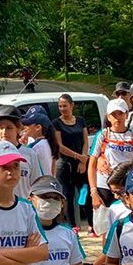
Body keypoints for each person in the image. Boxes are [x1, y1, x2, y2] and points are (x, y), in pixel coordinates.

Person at [89, 99, 133, 210]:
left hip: (126, 186)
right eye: (113, 114)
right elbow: (92, 165)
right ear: (108, 117)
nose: (117, 117)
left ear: (127, 114)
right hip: (104, 185)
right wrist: (94, 192)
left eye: (120, 113)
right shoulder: (102, 135)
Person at [52, 94, 90, 231]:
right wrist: (77, 156)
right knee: (67, 196)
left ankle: (91, 225)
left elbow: (86, 141)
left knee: (86, 193)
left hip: (81, 163)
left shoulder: (80, 121)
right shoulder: (56, 123)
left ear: (72, 105)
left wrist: (83, 160)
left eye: (65, 106)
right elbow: (59, 146)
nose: (62, 109)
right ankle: (72, 227)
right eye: (60, 106)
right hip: (65, 165)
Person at [0, 105, 43, 197]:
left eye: (9, 127)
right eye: (0, 127)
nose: (4, 132)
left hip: (24, 207)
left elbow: (37, 185)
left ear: (19, 129)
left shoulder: (29, 154)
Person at [22, 109, 58, 179]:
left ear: (38, 127)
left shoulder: (36, 147)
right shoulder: (47, 142)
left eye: (28, 125)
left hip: (39, 184)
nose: (25, 127)